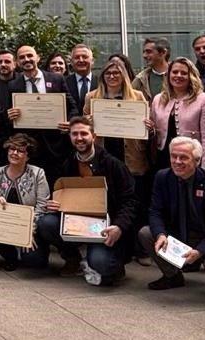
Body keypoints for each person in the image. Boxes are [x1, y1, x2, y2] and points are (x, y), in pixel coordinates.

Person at [41, 117, 136, 286]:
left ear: (94, 136)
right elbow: (60, 194)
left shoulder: (114, 165)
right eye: (74, 134)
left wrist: (119, 226)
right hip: (76, 223)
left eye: (84, 133)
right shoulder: (67, 164)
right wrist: (54, 204)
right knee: (46, 222)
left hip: (105, 227)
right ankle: (73, 259)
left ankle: (115, 265)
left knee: (102, 264)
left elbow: (130, 201)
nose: (79, 138)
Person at [140, 137, 205, 298]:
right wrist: (160, 234)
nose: (177, 161)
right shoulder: (162, 177)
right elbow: (155, 211)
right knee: (146, 233)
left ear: (197, 161)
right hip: (178, 235)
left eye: (183, 157)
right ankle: (172, 276)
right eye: (173, 156)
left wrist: (201, 251)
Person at [0, 134, 49, 271]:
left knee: (34, 261)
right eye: (12, 149)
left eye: (20, 151)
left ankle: (39, 250)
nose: (14, 153)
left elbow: (42, 205)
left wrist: (29, 231)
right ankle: (10, 257)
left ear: (28, 156)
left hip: (30, 226)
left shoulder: (38, 173)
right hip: (5, 225)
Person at [7, 44, 69, 179]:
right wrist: (10, 115)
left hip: (55, 144)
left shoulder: (56, 79)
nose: (26, 59)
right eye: (22, 57)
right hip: (29, 147)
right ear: (17, 62)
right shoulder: (13, 85)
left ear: (38, 58)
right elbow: (8, 115)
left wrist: (69, 122)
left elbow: (72, 106)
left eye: (30, 55)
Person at [146, 57, 205, 173]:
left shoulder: (204, 99)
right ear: (168, 75)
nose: (178, 76)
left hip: (190, 160)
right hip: (163, 158)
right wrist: (150, 128)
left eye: (184, 73)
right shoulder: (158, 99)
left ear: (191, 76)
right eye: (175, 72)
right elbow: (154, 131)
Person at [82, 58, 149, 179]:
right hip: (103, 149)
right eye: (108, 73)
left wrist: (149, 126)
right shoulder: (91, 97)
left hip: (130, 154)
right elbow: (84, 126)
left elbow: (148, 124)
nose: (111, 76)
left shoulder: (137, 96)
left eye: (116, 73)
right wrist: (88, 122)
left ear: (123, 75)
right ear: (103, 76)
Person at [66, 44, 97, 114]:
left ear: (92, 61)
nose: (81, 60)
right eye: (77, 57)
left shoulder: (102, 82)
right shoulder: (64, 83)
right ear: (71, 62)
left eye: (85, 57)